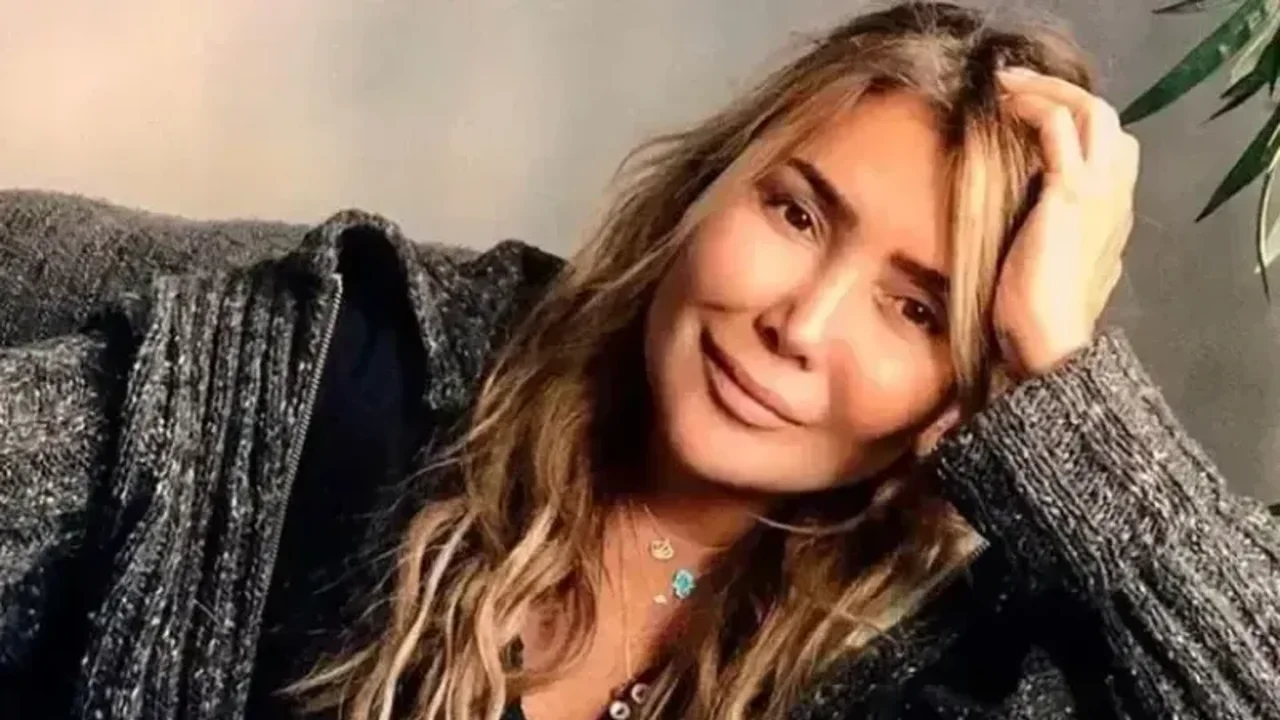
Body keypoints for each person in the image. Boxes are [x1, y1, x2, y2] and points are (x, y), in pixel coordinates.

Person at [1, 2, 1278, 719]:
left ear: (976, 385)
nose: (799, 323)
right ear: (703, 188)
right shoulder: (323, 370)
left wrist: (1065, 374)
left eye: (912, 310)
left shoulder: (965, 663)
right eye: (795, 214)